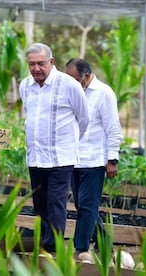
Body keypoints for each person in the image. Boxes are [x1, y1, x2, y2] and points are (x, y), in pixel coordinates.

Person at [19, 43, 89, 253]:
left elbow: (83, 119)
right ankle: (45, 244)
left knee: (56, 204)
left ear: (51, 62)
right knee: (40, 205)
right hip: (36, 157)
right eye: (31, 64)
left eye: (41, 63)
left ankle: (53, 249)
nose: (36, 69)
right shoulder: (25, 86)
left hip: (61, 158)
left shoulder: (69, 85)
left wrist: (69, 144)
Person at [65, 58, 123, 261]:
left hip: (95, 160)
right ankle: (105, 243)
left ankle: (80, 249)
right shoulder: (72, 92)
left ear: (87, 76)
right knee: (82, 206)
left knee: (88, 207)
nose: (70, 82)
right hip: (74, 159)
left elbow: (113, 128)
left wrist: (112, 159)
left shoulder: (104, 93)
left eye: (74, 78)